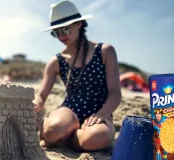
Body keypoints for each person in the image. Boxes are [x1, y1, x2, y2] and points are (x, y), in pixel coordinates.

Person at [33, 0, 121, 151]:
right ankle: (60, 134)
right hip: (69, 111)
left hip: (99, 112)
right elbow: (41, 94)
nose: (61, 35)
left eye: (65, 29)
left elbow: (115, 93)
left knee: (96, 137)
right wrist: (37, 102)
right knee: (53, 129)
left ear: (79, 24)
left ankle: (65, 139)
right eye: (56, 32)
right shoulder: (56, 61)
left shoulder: (105, 51)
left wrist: (101, 115)